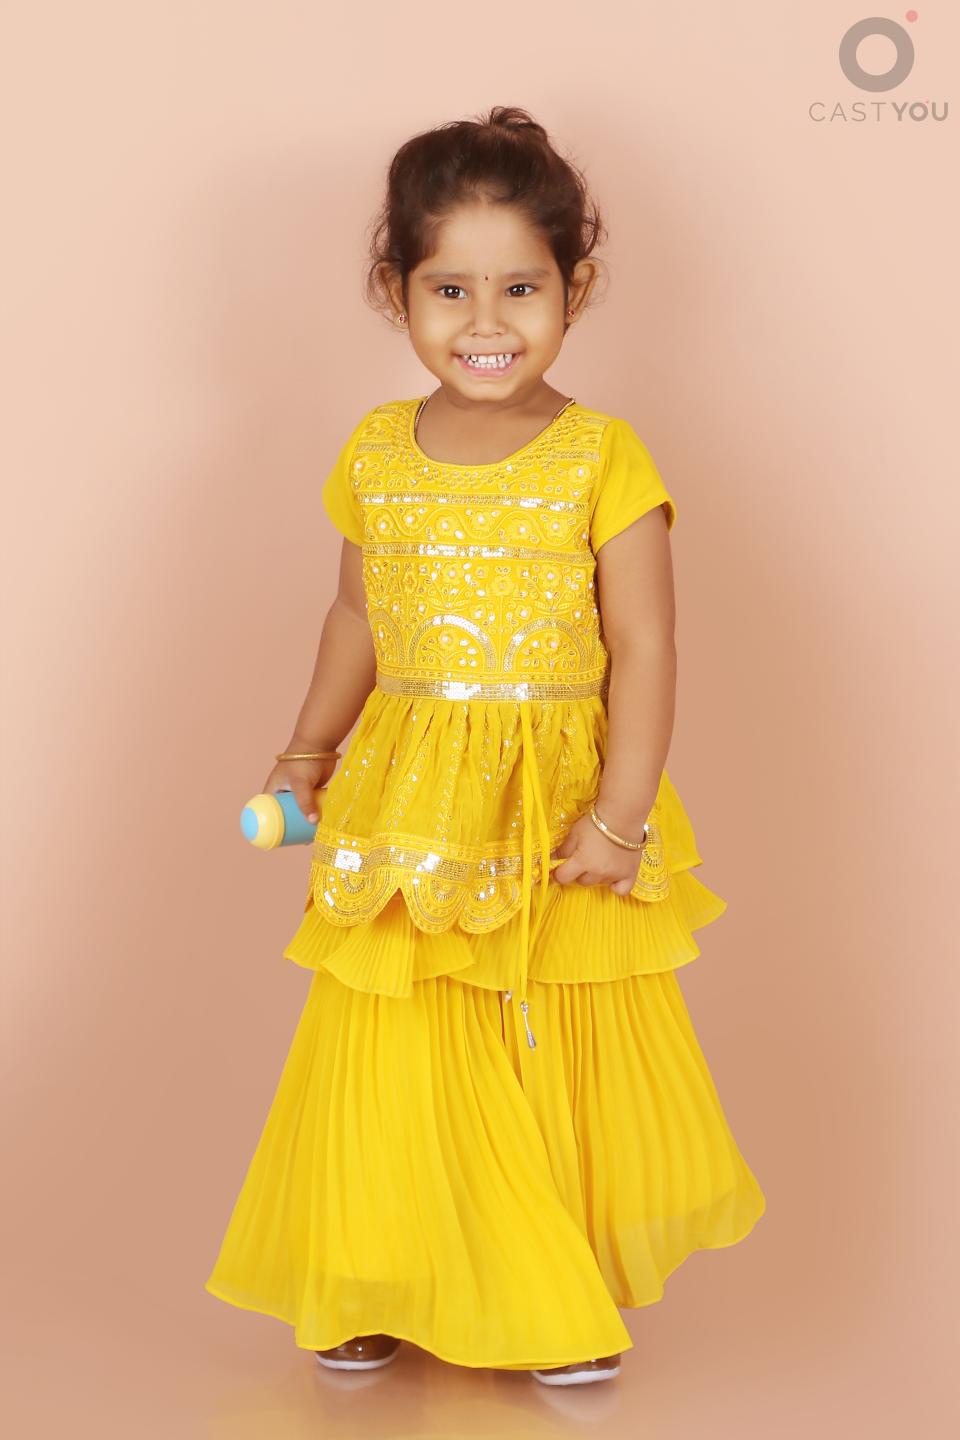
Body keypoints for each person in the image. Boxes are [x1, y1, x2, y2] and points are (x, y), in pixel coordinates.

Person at [204, 105, 765, 1388]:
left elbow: (649, 646)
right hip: (408, 797)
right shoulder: (375, 451)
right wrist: (304, 753)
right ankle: (374, 1274)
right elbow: (358, 616)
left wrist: (620, 817)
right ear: (394, 290)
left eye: (521, 287)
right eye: (448, 289)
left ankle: (545, 1294)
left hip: (550, 802)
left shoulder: (602, 456)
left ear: (577, 289)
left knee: (531, 1032)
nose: (485, 321)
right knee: (393, 1039)